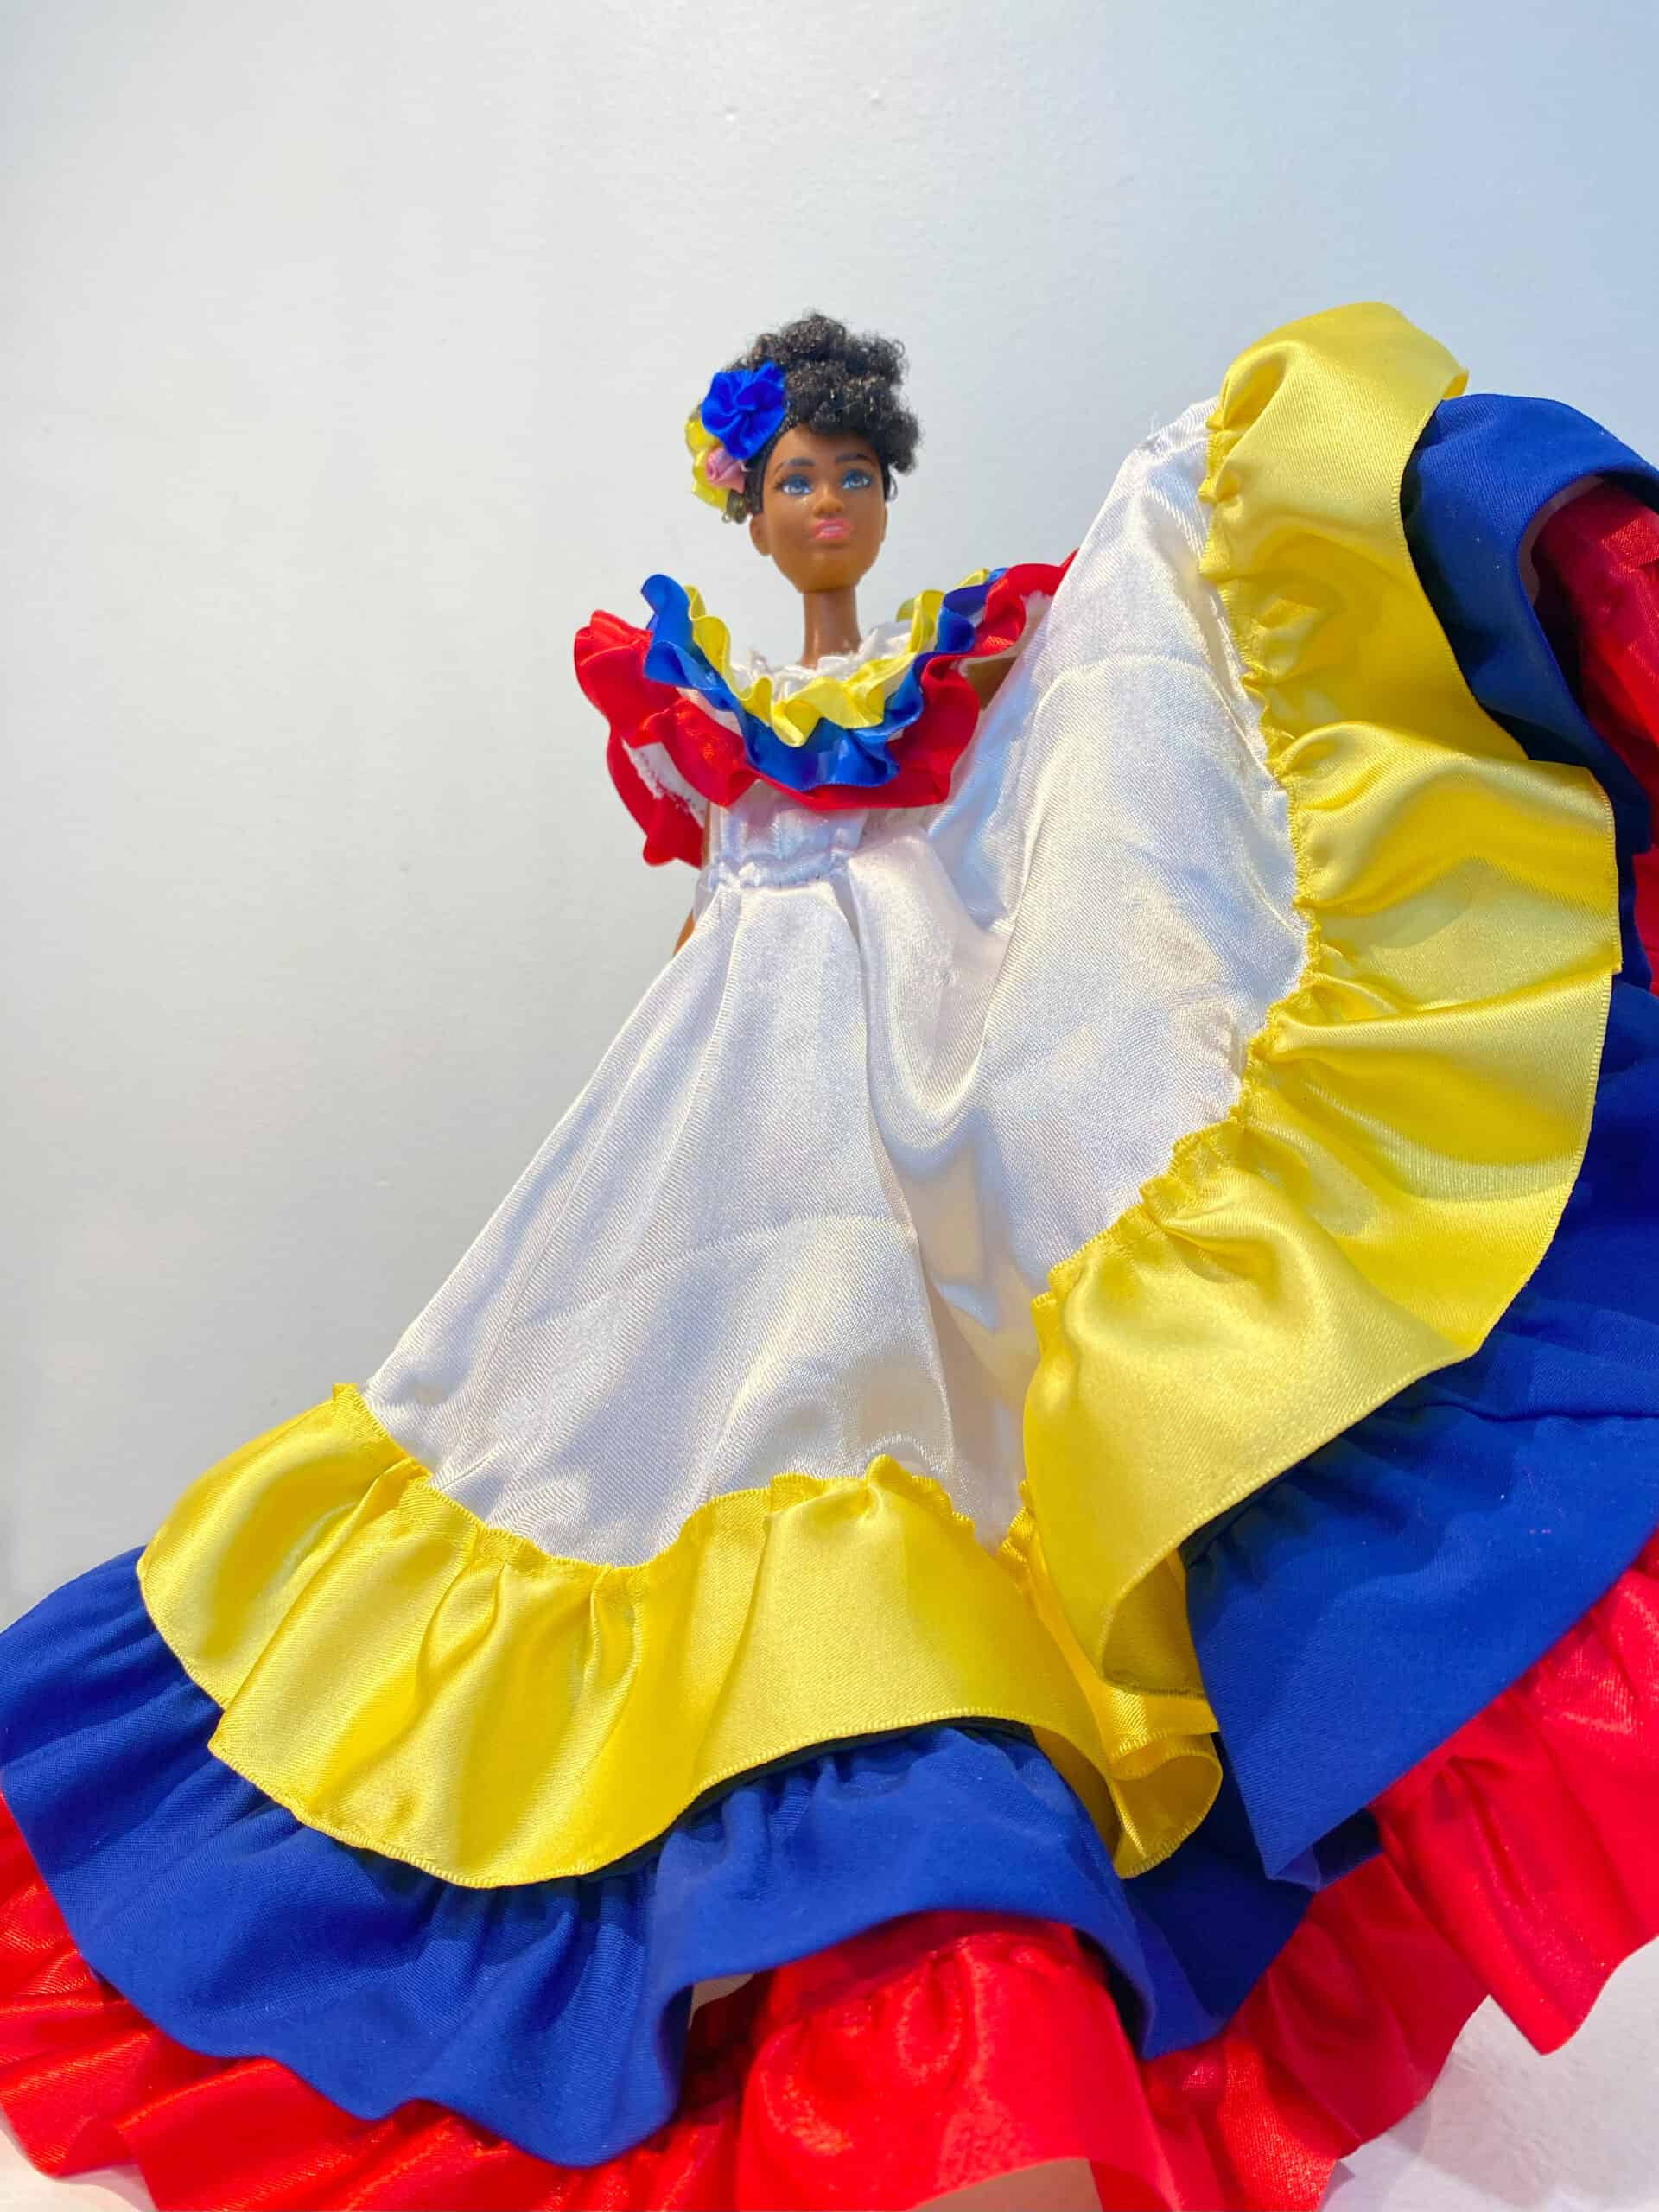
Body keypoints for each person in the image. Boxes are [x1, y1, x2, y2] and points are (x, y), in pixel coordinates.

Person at [2, 302, 1658, 2212]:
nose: (830, 507)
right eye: (799, 480)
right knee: (652, 1432)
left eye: (855, 475)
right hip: (727, 1087)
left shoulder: (962, 653)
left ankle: (939, 1920)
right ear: (754, 503)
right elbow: (721, 897)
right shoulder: (698, 691)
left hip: (905, 1080)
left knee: (899, 1430)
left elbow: (1039, 773)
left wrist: (1175, 531)